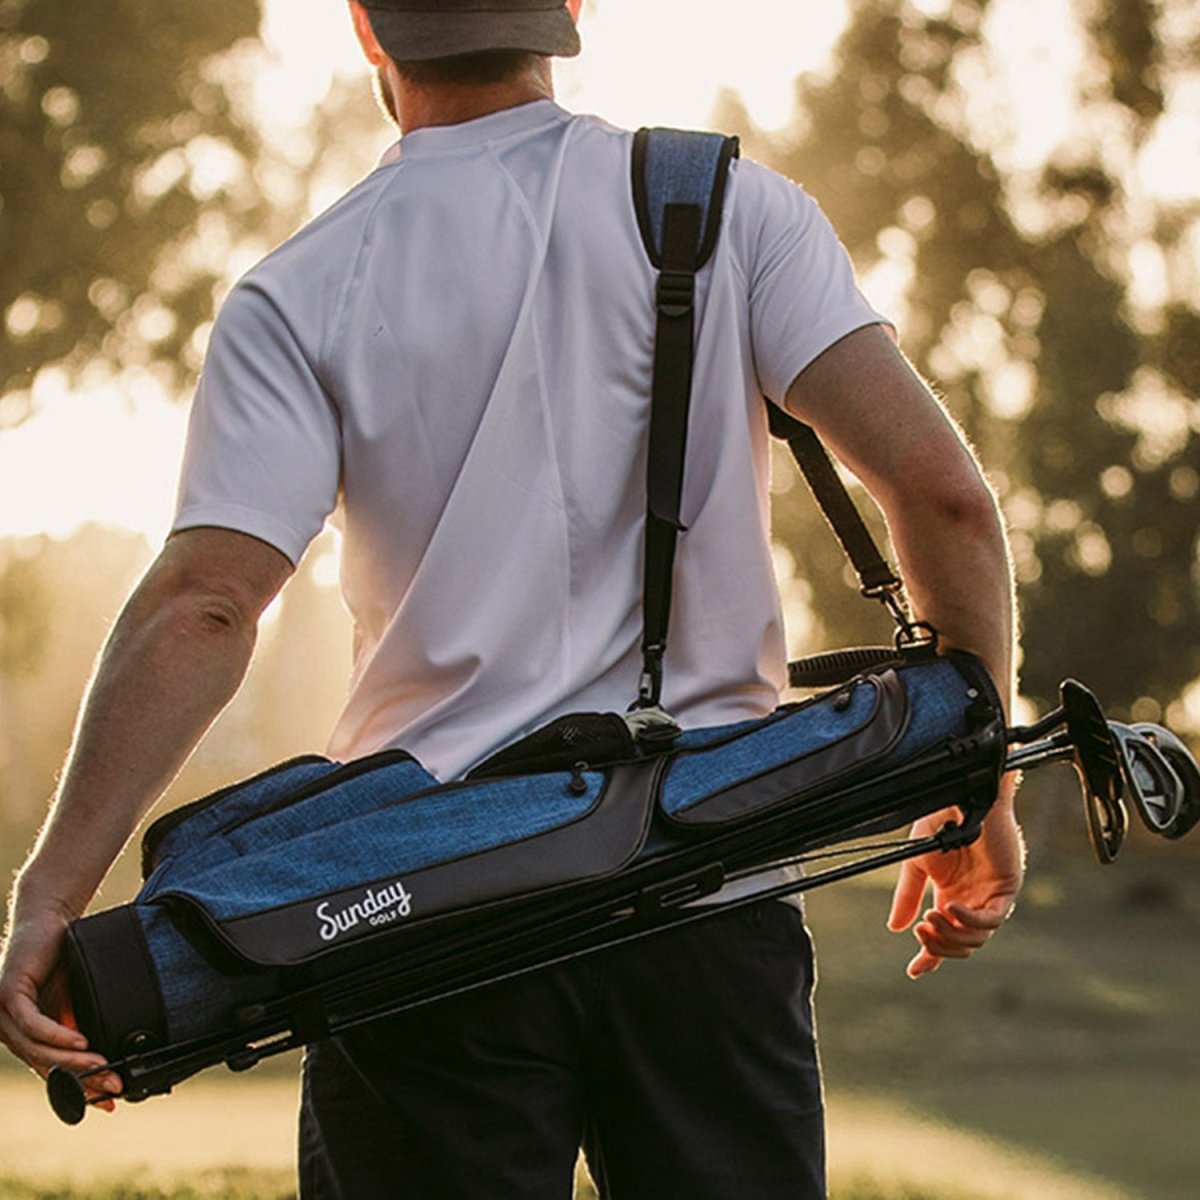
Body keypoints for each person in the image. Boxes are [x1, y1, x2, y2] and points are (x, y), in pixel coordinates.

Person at [0, 1, 1024, 1196]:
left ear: (365, 27)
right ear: (571, 9)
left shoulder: (301, 287)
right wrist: (976, 783)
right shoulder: (727, 205)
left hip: (423, 922)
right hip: (710, 892)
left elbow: (206, 608)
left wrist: (51, 894)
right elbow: (943, 496)